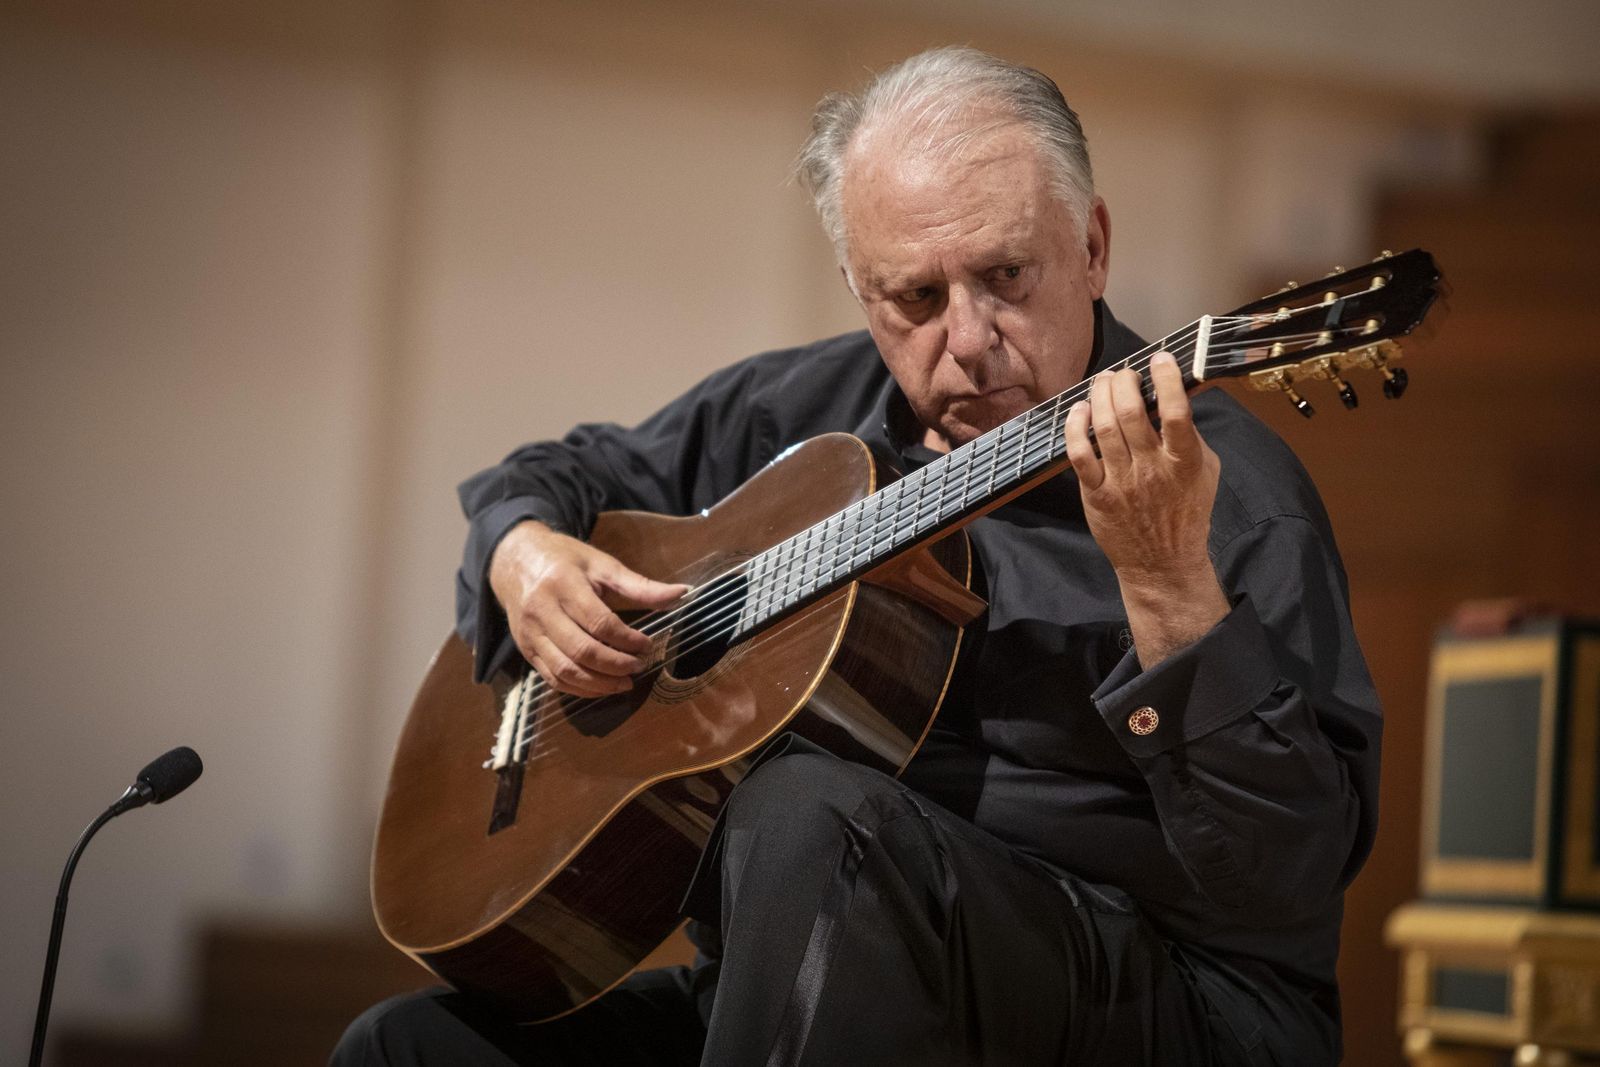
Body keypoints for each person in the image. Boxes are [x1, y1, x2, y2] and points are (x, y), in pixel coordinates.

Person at [335, 46, 1380, 1066]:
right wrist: (521, 553)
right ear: (856, 283)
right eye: (913, 299)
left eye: (1006, 275)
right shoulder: (799, 415)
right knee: (403, 1046)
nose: (967, 339)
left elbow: (1285, 876)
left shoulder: (1231, 495)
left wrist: (1166, 585)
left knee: (807, 817)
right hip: (816, 967)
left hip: (1162, 991)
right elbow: (563, 473)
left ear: (1093, 246)